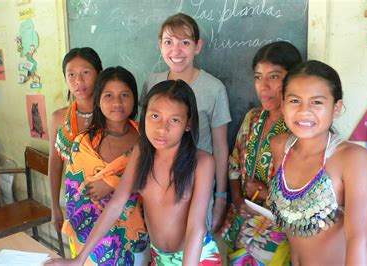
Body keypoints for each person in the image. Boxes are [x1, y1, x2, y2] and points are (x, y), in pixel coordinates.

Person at [46, 80, 222, 265]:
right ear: (144, 116)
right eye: (155, 116)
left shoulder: (202, 163)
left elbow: (196, 227)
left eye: (175, 120)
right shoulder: (141, 153)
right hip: (158, 258)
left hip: (196, 258)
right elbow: (115, 205)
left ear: (188, 124)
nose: (162, 128)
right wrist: (78, 260)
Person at [268, 60, 367, 265]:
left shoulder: (352, 159)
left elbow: (358, 242)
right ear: (282, 104)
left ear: (336, 107)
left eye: (316, 102)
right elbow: (294, 205)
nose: (304, 111)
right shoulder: (280, 146)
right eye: (294, 101)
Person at [141, 13, 231, 233]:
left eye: (185, 43)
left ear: (197, 46)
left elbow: (220, 146)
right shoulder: (152, 83)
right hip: (157, 183)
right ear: (159, 45)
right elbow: (143, 138)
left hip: (196, 184)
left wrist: (220, 196)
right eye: (169, 42)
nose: (176, 50)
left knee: (194, 239)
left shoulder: (213, 88)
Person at [220, 41, 301, 265]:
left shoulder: (299, 126)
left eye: (274, 77)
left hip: (279, 231)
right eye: (258, 77)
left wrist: (266, 194)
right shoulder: (253, 117)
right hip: (242, 223)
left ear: (293, 78)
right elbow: (234, 161)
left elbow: (309, 189)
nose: (263, 86)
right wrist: (237, 199)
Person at [61, 66, 149, 265]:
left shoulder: (148, 139)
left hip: (136, 237)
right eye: (108, 95)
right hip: (92, 241)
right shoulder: (83, 143)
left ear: (134, 99)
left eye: (124, 95)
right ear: (98, 101)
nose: (117, 102)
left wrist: (113, 183)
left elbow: (156, 182)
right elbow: (75, 194)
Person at [49, 47, 102, 234]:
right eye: (71, 74)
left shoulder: (111, 115)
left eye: (86, 73)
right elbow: (55, 165)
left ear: (99, 74)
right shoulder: (58, 118)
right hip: (76, 206)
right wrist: (55, 206)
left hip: (111, 203)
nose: (78, 81)